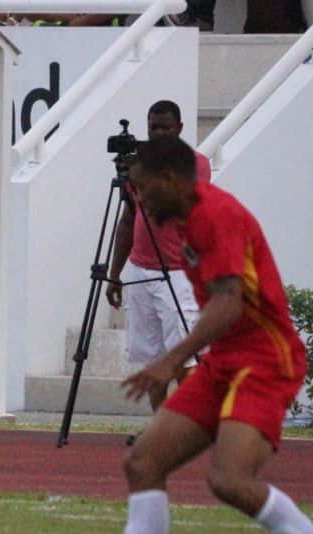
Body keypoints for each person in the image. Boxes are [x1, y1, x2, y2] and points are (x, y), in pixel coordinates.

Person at [84, 136, 313, 534]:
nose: (140, 200)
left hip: (264, 361)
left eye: (143, 189)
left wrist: (170, 360)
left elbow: (228, 302)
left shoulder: (214, 216)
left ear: (171, 180)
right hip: (226, 360)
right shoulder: (186, 217)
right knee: (143, 463)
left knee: (231, 480)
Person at [106, 100, 212, 413]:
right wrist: (114, 274)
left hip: (178, 273)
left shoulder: (196, 163)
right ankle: (160, 427)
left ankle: (186, 426)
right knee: (151, 363)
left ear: (179, 128)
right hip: (141, 270)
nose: (160, 133)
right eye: (154, 128)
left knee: (184, 360)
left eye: (166, 127)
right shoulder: (139, 167)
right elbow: (128, 218)